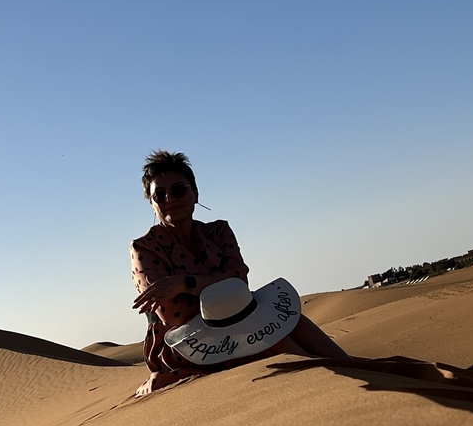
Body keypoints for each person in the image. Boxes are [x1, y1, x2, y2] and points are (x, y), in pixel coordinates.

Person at [130, 150, 350, 396]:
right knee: (275, 341)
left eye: (178, 190)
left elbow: (238, 281)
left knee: (292, 320)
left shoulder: (218, 231)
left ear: (195, 193)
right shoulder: (144, 248)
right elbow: (175, 313)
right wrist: (217, 287)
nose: (169, 198)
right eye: (159, 195)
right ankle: (338, 385)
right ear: (152, 204)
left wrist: (184, 283)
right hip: (188, 342)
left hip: (243, 317)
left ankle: (355, 370)